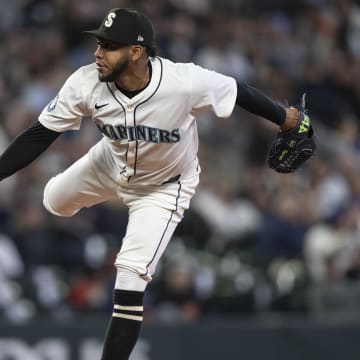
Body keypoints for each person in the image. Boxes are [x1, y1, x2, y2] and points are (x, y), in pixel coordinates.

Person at [0, 8, 301, 360]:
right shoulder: (85, 82)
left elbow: (239, 91)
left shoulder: (183, 81)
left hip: (163, 188)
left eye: (109, 46)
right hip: (109, 163)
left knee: (129, 279)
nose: (98, 53)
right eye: (98, 43)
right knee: (53, 200)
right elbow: (39, 135)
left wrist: (288, 120)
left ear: (136, 51)